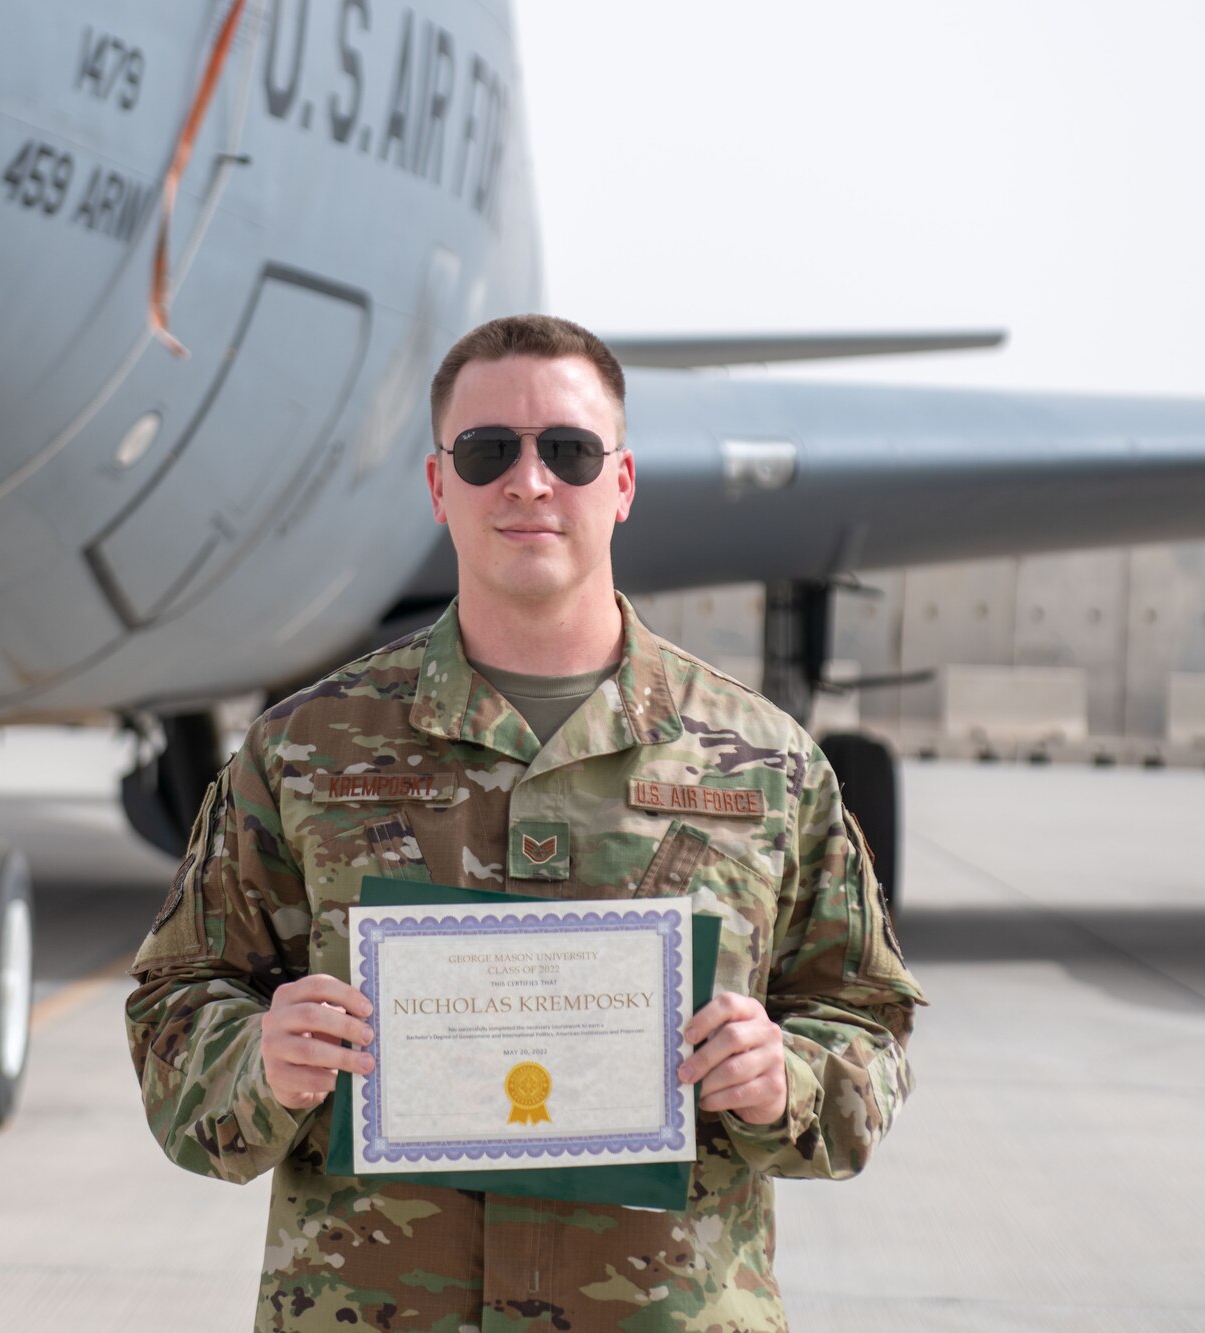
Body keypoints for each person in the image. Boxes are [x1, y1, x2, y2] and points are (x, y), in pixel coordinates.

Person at [125, 314, 924, 1331]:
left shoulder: (765, 764)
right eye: (488, 449)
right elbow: (175, 1004)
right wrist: (257, 1062)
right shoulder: (300, 754)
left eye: (569, 450)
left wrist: (786, 1080)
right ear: (437, 484)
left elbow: (863, 1016)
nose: (529, 480)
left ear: (622, 483)